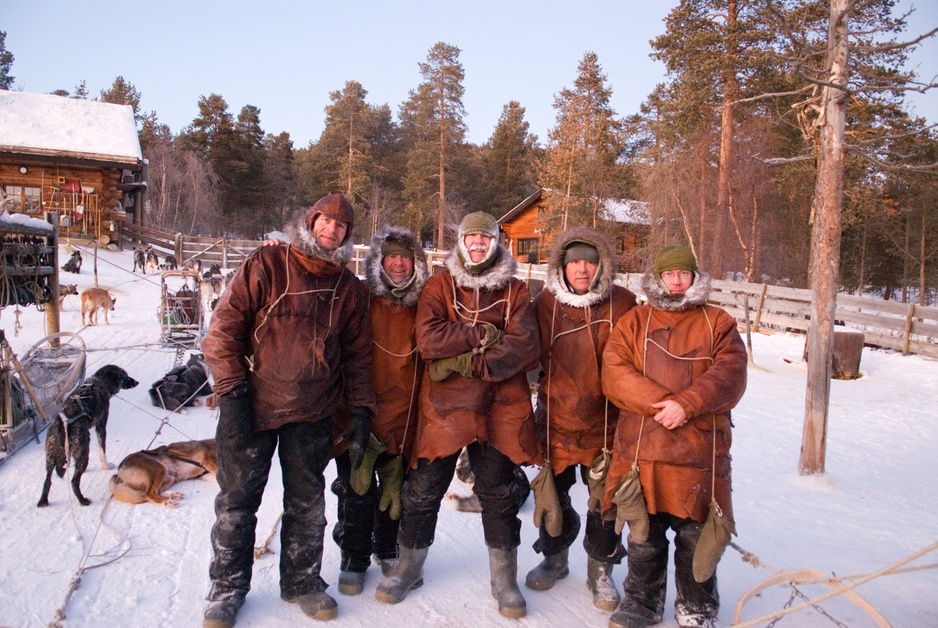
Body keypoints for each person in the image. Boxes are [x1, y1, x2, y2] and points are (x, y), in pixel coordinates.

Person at [201, 194, 376, 627]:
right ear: (311, 221)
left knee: (308, 503)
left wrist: (361, 410)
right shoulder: (268, 264)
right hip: (253, 405)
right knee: (237, 502)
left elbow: (357, 355)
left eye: (341, 226)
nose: (332, 229)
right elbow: (223, 329)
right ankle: (226, 590)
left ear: (347, 236)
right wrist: (231, 392)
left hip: (313, 410)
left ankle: (302, 582)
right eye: (326, 221)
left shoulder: (347, 287)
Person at [375, 211, 541, 618]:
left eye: (486, 238)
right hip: (444, 408)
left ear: (495, 242)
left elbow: (525, 345)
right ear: (461, 243)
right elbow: (429, 340)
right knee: (422, 490)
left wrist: (472, 364)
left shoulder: (515, 290)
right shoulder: (439, 285)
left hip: (500, 406)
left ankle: (504, 581)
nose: (479, 244)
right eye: (472, 238)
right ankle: (408, 569)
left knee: (498, 495)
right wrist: (481, 334)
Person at [600, 245, 747, 628]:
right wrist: (665, 404)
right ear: (658, 279)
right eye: (670, 274)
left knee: (696, 533)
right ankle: (642, 602)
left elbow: (731, 373)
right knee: (644, 531)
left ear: (694, 278)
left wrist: (689, 404)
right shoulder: (635, 321)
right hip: (644, 445)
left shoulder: (718, 322)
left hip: (699, 447)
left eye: (684, 274)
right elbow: (614, 372)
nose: (677, 280)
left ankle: (697, 605)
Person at [525, 226, 638, 611]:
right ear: (562, 266)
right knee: (551, 497)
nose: (582, 270)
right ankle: (554, 558)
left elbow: (637, 358)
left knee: (605, 500)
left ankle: (600, 569)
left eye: (590, 263)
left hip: (605, 423)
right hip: (555, 420)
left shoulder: (623, 303)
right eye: (575, 263)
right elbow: (527, 353)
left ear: (600, 267)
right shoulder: (544, 304)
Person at [330, 226, 429, 596]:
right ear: (379, 261)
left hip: (402, 413)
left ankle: (386, 546)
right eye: (392, 257)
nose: (399, 264)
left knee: (394, 487)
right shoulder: (359, 295)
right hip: (358, 408)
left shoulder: (424, 302)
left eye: (406, 257)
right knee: (357, 489)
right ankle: (353, 556)